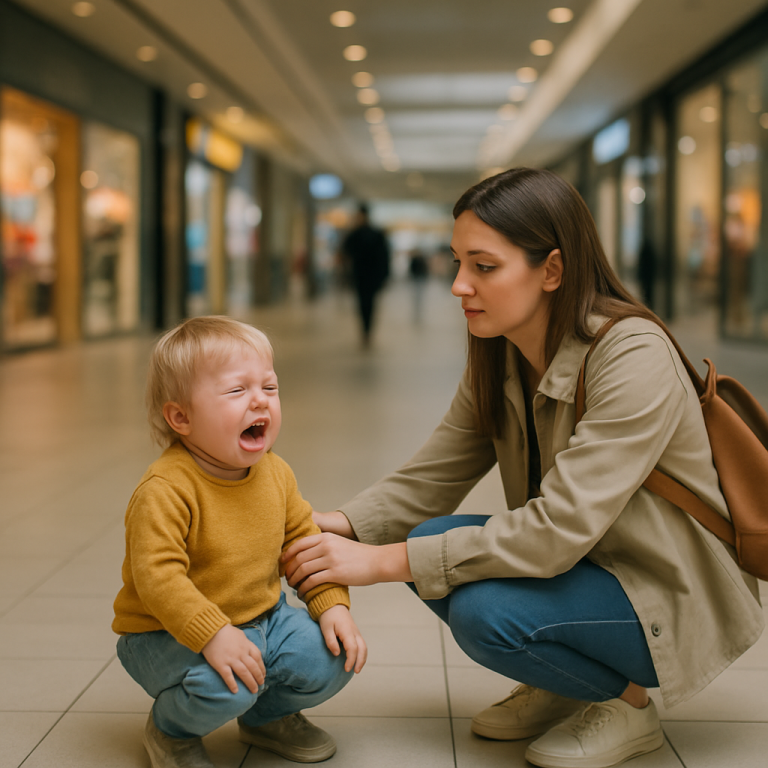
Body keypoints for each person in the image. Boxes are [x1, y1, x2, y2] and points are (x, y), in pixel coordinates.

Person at [282, 168, 764, 768]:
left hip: (668, 589)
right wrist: (341, 526)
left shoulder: (631, 353)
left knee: (485, 612)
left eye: (484, 267)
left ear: (552, 270)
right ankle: (565, 680)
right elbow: (435, 472)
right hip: (594, 563)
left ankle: (627, 704)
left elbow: (558, 528)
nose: (459, 285)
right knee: (429, 540)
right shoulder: (501, 349)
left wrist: (377, 563)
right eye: (458, 262)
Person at [112, 316, 367, 768]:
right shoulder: (165, 489)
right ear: (181, 417)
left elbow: (303, 542)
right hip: (162, 634)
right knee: (226, 682)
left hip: (262, 619)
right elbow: (158, 578)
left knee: (333, 655)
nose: (259, 402)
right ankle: (170, 730)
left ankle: (266, 718)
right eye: (236, 391)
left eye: (269, 388)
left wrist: (332, 605)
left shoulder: (276, 472)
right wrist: (213, 634)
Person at [340, 203, 390, 347]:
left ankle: (367, 332)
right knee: (364, 305)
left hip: (368, 276)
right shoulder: (360, 234)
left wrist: (384, 275)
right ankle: (366, 331)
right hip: (362, 276)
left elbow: (384, 257)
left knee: (368, 304)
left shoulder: (368, 234)